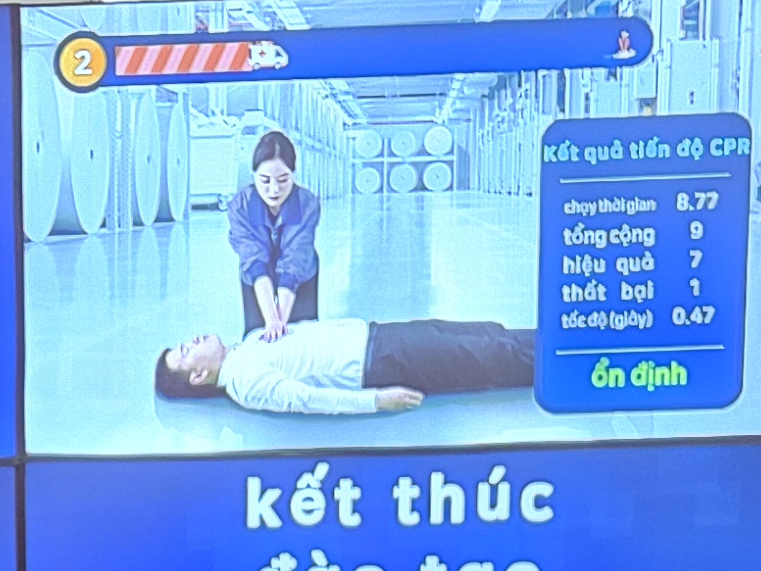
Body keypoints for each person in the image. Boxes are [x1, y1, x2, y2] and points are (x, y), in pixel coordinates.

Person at [154, 316, 533, 416]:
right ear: (199, 376)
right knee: (488, 355)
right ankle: (562, 360)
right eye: (185, 353)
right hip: (382, 362)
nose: (191, 340)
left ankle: (558, 335)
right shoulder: (244, 382)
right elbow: (308, 399)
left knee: (485, 333)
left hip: (380, 334)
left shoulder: (249, 342)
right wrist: (377, 400)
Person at [227, 126, 322, 340]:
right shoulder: (242, 206)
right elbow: (254, 259)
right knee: (257, 336)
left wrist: (280, 321)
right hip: (257, 278)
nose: (274, 190)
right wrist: (272, 321)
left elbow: (295, 258)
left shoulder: (306, 204)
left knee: (302, 337)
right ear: (254, 175)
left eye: (283, 180)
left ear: (293, 175)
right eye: (264, 180)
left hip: (300, 276)